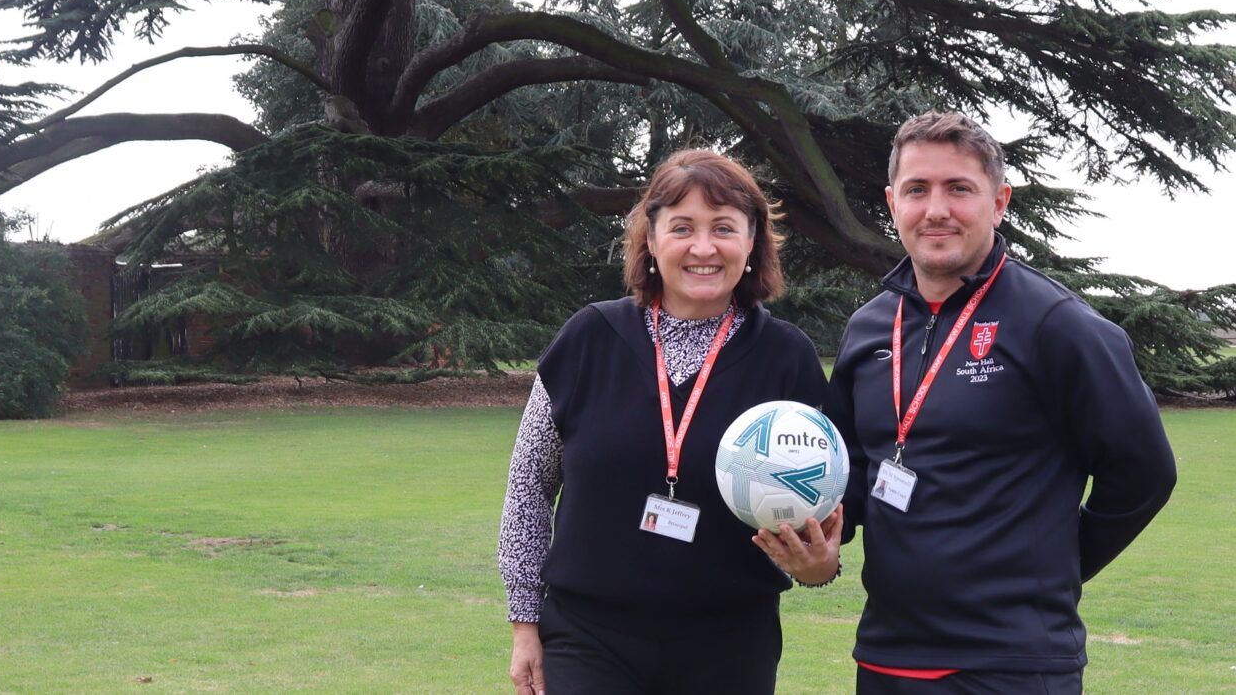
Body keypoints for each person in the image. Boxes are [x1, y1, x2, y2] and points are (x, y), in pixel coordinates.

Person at [829, 113, 1178, 693]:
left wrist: (1058, 567)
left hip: (1011, 665)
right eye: (917, 190)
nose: (936, 209)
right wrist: (821, 540)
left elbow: (1144, 473)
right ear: (893, 203)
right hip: (887, 658)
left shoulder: (1056, 324)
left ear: (998, 202)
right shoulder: (868, 328)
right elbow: (853, 474)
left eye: (958, 188)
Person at [499, 149, 851, 695]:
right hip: (589, 639)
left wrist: (818, 566)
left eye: (724, 228)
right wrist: (525, 623)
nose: (703, 248)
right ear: (651, 239)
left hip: (730, 644)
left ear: (752, 243)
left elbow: (818, 514)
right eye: (682, 227)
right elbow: (528, 485)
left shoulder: (787, 356)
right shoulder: (588, 338)